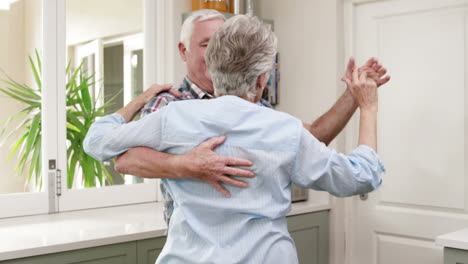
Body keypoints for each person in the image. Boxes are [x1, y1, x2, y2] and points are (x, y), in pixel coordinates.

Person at [84, 15, 385, 263]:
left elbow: (97, 142)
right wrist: (368, 106)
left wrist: (137, 101)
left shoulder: (173, 117)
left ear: (214, 69)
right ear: (262, 79)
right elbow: (361, 176)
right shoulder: (283, 128)